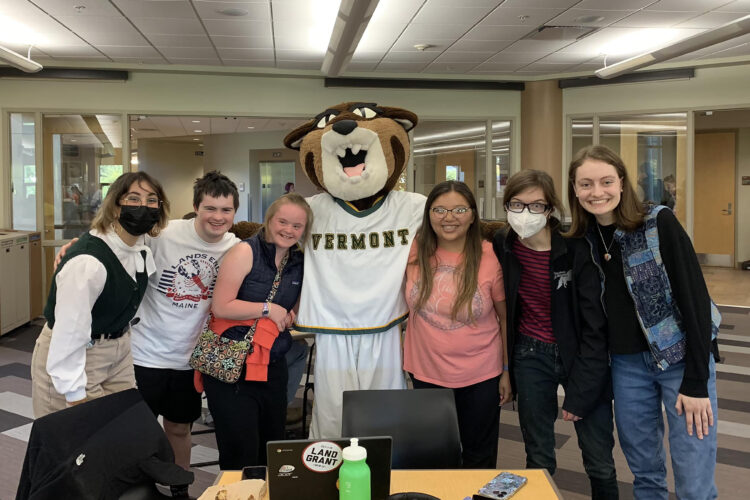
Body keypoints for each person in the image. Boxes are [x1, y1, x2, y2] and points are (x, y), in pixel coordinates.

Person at [567, 145, 721, 500]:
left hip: (682, 359)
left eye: (606, 181)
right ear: (575, 190)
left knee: (693, 479)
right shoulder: (581, 239)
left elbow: (695, 299)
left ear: (621, 183)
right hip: (626, 365)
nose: (597, 192)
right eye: (586, 184)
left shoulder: (657, 221)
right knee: (644, 472)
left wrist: (697, 380)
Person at [492, 170, 618, 499]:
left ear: (550, 210)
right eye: (517, 204)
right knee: (539, 457)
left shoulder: (576, 247)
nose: (525, 213)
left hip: (581, 356)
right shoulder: (502, 245)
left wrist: (586, 386)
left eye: (536, 206)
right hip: (530, 355)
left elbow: (595, 323)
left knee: (599, 460)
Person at [31, 171, 169, 418]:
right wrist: (74, 394)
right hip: (77, 355)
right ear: (116, 208)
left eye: (151, 200)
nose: (144, 207)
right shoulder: (88, 262)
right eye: (134, 199)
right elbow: (68, 335)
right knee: (72, 445)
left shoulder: (139, 249)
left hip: (119, 351)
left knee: (122, 433)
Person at [130, 171, 239, 478]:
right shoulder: (162, 233)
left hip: (190, 358)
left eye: (226, 210)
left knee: (179, 428)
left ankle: (178, 484)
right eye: (210, 208)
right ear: (196, 207)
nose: (218, 217)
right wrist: (77, 247)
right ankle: (132, 487)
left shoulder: (237, 247)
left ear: (234, 212)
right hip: (145, 352)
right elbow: (118, 248)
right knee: (136, 430)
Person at [403, 180, 510, 469]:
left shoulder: (490, 255)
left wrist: (506, 371)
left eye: (459, 209)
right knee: (434, 455)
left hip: (481, 374)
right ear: (428, 215)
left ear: (474, 214)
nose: (448, 218)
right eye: (439, 210)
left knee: (478, 456)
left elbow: (504, 318)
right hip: (427, 372)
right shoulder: (412, 251)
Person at [202, 193, 312, 469]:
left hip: (272, 364)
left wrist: (292, 314)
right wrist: (267, 309)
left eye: (297, 226)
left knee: (271, 448)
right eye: (282, 222)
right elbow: (222, 305)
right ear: (269, 219)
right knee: (240, 452)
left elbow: (295, 305)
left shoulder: (298, 259)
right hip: (232, 363)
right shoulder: (245, 251)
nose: (289, 230)